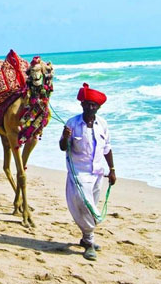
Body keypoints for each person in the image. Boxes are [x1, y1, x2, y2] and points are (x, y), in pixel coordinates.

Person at [59, 83, 116, 261]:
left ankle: (85, 238)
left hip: (98, 172)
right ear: (82, 105)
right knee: (84, 205)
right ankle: (90, 242)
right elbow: (63, 147)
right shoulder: (72, 123)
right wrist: (65, 137)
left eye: (94, 105)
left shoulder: (103, 124)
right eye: (88, 104)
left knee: (91, 209)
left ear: (98, 107)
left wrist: (112, 170)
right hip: (79, 173)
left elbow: (107, 149)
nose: (90, 108)